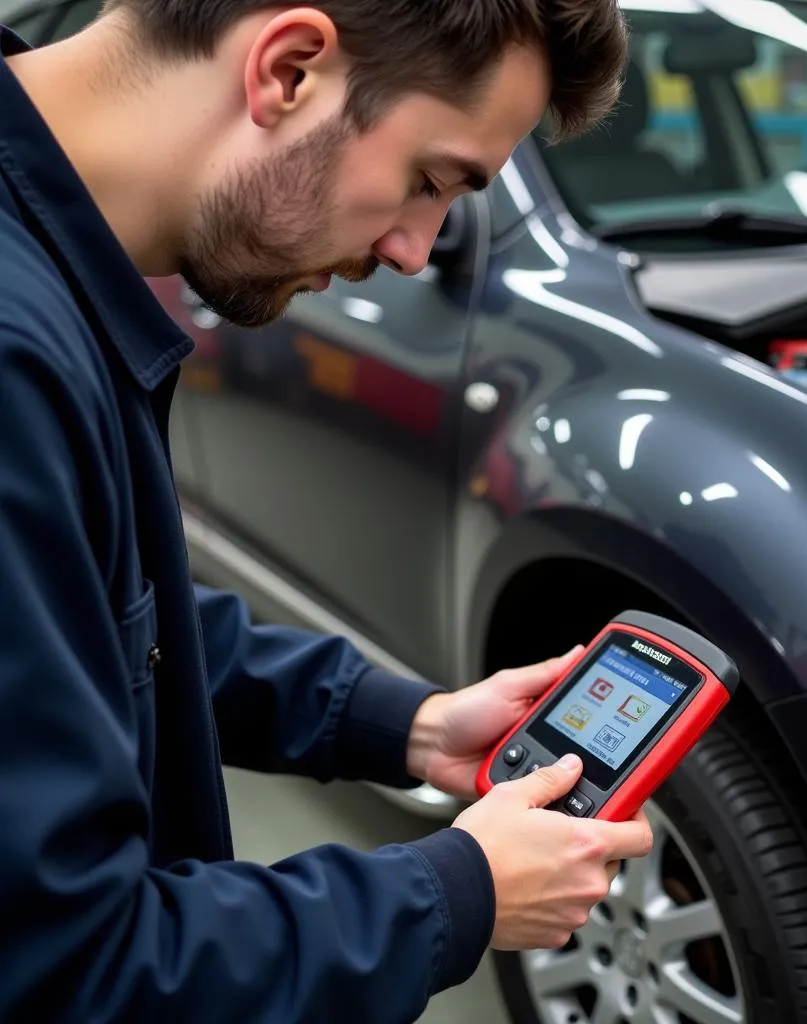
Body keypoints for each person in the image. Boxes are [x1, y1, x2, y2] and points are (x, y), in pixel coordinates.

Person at [0, 1, 655, 1021]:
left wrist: (409, 724)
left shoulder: (47, 277)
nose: (411, 249)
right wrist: (457, 890)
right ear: (290, 69)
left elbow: (93, 622)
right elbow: (69, 972)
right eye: (430, 181)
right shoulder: (12, 356)